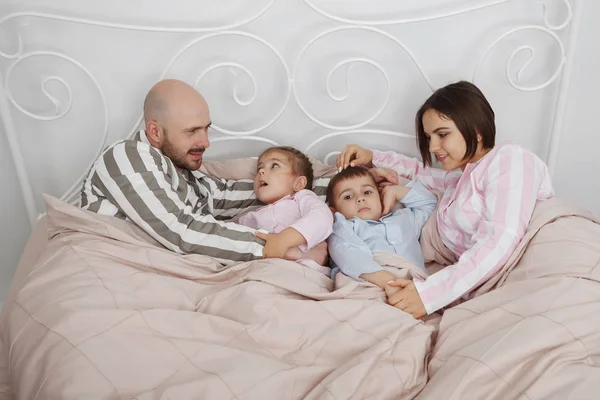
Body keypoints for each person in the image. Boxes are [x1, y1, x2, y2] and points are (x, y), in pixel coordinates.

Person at [337, 80, 554, 319]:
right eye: (429, 137)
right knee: (343, 233)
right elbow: (420, 172)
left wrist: (428, 295)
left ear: (476, 129)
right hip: (416, 228)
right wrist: (373, 157)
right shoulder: (464, 173)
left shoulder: (510, 160)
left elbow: (498, 239)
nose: (432, 147)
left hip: (420, 238)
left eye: (442, 134)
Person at [80, 79, 327, 265]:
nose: (206, 142)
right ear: (155, 132)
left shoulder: (190, 177)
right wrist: (277, 247)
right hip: (113, 265)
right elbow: (181, 231)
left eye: (206, 129)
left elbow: (261, 192)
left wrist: (349, 184)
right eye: (192, 131)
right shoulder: (126, 156)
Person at [326, 166, 437, 299]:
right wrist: (388, 282)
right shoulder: (345, 226)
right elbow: (345, 252)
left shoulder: (404, 217)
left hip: (414, 282)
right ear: (334, 211)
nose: (360, 199)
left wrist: (396, 191)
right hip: (371, 280)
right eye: (348, 196)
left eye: (367, 192)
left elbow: (429, 203)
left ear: (380, 195)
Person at [235, 146, 333, 274]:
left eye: (274, 166)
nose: (262, 171)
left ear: (299, 183)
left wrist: (283, 240)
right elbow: (230, 236)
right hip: (264, 272)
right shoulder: (250, 216)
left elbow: (322, 217)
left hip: (305, 272)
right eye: (260, 168)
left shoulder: (301, 198)